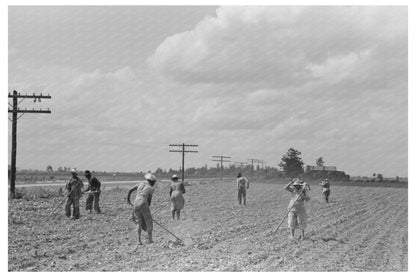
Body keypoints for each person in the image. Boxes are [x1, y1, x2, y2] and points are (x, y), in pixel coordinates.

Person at [127, 173, 156, 247]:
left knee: (138, 222)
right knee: (149, 221)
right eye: (154, 182)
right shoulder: (151, 188)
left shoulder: (140, 184)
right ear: (152, 182)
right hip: (143, 203)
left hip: (135, 204)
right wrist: (146, 210)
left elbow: (130, 190)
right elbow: (149, 201)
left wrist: (128, 200)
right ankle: (150, 239)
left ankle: (139, 240)